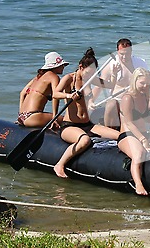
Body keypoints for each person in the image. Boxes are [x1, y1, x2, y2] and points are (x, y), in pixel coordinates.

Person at [53, 48, 124, 179]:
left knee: (120, 136)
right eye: (89, 72)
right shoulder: (69, 78)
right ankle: (59, 165)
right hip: (70, 126)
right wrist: (69, 95)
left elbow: (109, 85)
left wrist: (114, 73)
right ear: (81, 67)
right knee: (85, 140)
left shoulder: (90, 79)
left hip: (88, 124)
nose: (90, 76)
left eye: (93, 73)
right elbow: (55, 94)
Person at [95, 38, 149, 129]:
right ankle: (109, 129)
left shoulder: (140, 62)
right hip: (117, 100)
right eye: (121, 54)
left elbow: (148, 80)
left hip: (134, 101)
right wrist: (91, 101)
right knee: (111, 104)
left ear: (131, 51)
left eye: (127, 54)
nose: (124, 57)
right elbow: (101, 84)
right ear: (117, 51)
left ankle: (135, 119)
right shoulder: (111, 64)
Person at [17, 52, 69, 128]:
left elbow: (22, 93)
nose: (63, 67)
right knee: (66, 120)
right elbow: (55, 96)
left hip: (23, 116)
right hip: (33, 117)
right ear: (55, 66)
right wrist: (54, 118)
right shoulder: (54, 77)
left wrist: (20, 114)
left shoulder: (38, 77)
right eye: (62, 65)